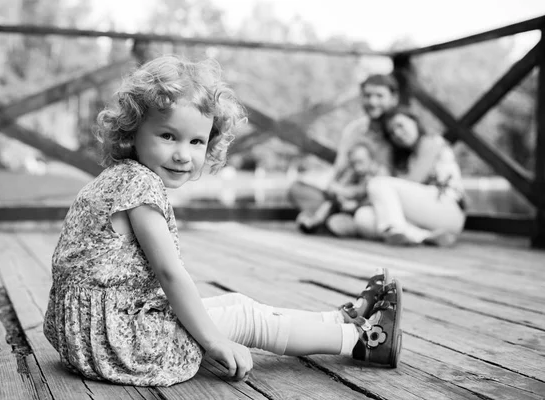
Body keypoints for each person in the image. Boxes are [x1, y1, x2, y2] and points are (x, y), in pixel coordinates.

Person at [42, 55, 404, 387]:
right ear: (132, 129)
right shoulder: (138, 186)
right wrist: (214, 341)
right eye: (168, 136)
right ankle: (363, 340)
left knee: (234, 303)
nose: (183, 154)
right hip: (121, 341)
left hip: (93, 331)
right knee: (245, 318)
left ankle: (341, 320)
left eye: (197, 141)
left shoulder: (120, 177)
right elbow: (170, 274)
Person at [287, 74, 399, 231]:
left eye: (379, 96)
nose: (372, 102)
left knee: (367, 211)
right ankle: (328, 215)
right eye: (367, 96)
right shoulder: (354, 130)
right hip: (348, 188)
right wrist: (337, 189)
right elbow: (340, 168)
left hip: (379, 196)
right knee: (297, 188)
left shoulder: (400, 130)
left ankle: (326, 218)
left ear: (394, 98)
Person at [351, 106, 466, 246]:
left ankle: (398, 229)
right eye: (392, 133)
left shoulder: (432, 142)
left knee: (377, 183)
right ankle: (424, 237)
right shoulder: (403, 157)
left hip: (447, 210)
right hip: (421, 215)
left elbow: (413, 181)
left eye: (400, 125)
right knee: (363, 217)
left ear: (414, 121)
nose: (398, 133)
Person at [295, 141, 389, 234]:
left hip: (368, 214)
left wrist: (354, 204)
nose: (357, 167)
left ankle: (319, 224)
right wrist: (341, 197)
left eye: (360, 162)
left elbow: (363, 193)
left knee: (340, 222)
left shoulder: (379, 175)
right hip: (345, 210)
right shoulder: (353, 172)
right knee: (328, 206)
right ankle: (315, 221)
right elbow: (335, 188)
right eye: (354, 163)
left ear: (371, 159)